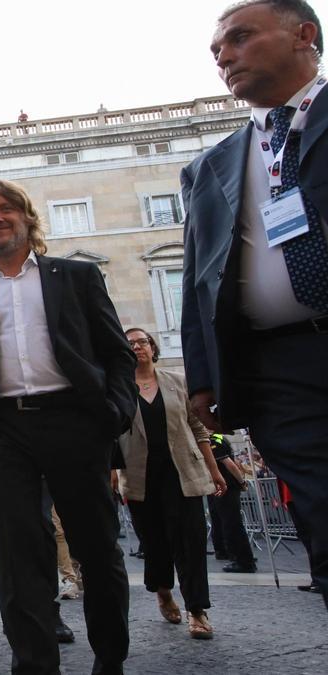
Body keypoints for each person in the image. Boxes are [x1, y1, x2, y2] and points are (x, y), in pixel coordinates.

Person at [0, 178, 135, 674]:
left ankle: (109, 660)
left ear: (28, 217)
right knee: (15, 561)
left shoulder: (75, 277)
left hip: (75, 422)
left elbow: (117, 353)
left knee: (97, 549)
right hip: (4, 432)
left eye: (5, 209)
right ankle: (34, 666)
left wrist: (116, 413)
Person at [183, 0, 328, 610]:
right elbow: (199, 276)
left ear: (305, 36)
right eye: (217, 49)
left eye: (240, 38)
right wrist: (203, 377)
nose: (224, 56)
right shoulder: (212, 165)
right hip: (280, 368)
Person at [117, 327, 227, 639]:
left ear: (153, 348)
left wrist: (214, 470)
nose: (138, 347)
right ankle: (163, 590)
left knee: (191, 542)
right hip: (141, 477)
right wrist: (111, 471)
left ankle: (197, 609)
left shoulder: (178, 383)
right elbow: (110, 432)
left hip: (182, 473)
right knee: (154, 543)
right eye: (131, 344)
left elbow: (198, 429)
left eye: (143, 342)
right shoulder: (120, 388)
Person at [207, 434, 258, 573]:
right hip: (222, 488)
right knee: (224, 521)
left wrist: (242, 482)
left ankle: (243, 560)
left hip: (226, 487)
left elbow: (230, 464)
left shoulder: (213, 441)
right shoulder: (219, 438)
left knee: (232, 524)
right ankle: (233, 554)